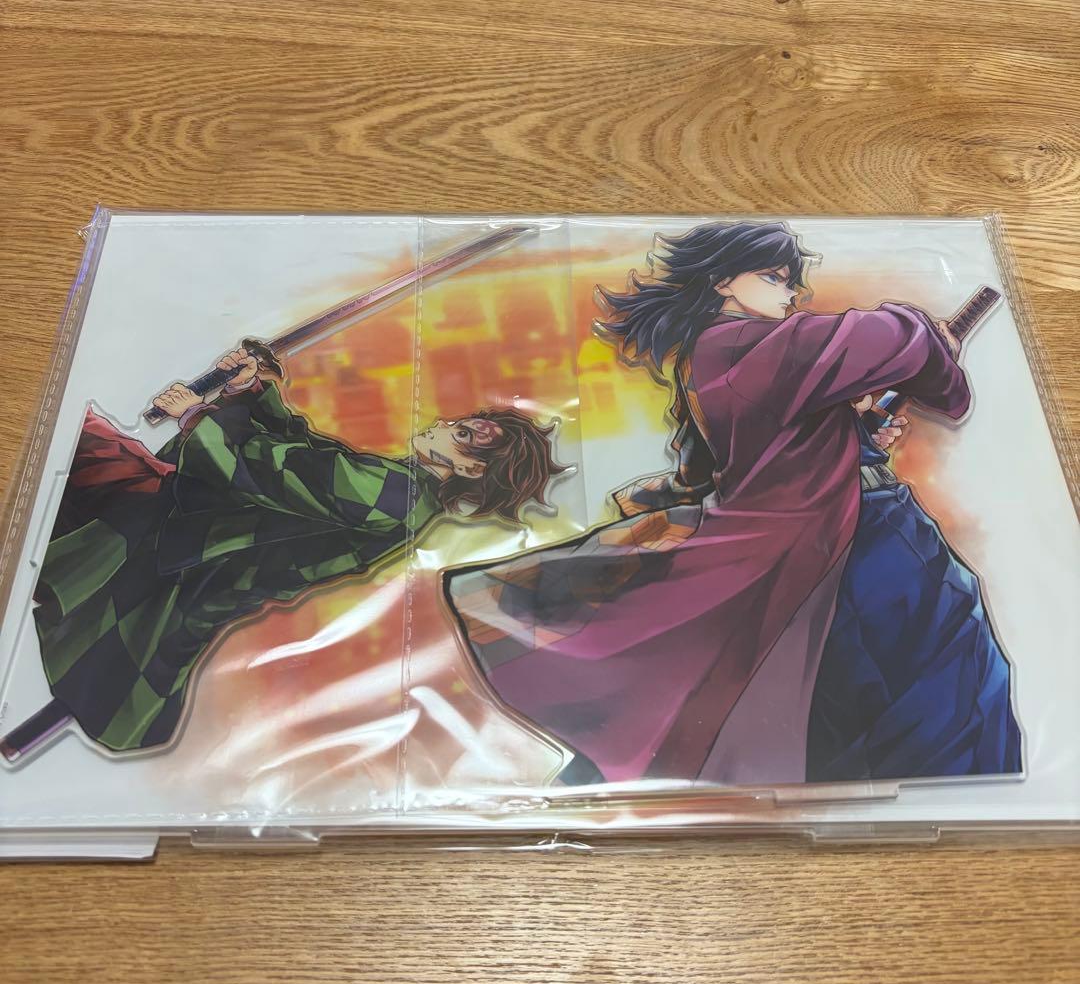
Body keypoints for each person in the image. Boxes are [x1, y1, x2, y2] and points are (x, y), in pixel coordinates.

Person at [443, 221, 1021, 786]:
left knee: (887, 689)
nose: (791, 295)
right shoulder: (736, 345)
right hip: (860, 542)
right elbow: (886, 338)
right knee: (936, 676)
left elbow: (765, 453)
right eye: (773, 278)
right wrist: (928, 337)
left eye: (791, 282)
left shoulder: (723, 360)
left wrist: (859, 435)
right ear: (723, 280)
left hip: (854, 535)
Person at [2, 349, 565, 761]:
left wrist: (197, 414)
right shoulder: (400, 490)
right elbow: (307, 453)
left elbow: (263, 469)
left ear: (469, 469)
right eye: (459, 424)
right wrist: (254, 390)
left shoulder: (396, 497)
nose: (443, 424)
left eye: (461, 435)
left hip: (186, 559)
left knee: (76, 447)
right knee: (102, 639)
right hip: (186, 545)